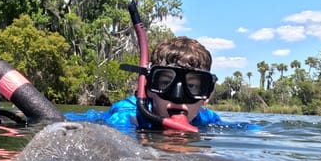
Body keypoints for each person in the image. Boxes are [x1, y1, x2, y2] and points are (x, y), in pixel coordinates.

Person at [66, 36, 225, 131]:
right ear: (148, 88)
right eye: (165, 83)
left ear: (207, 94)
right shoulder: (128, 117)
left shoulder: (206, 118)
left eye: (192, 86)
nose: (177, 97)